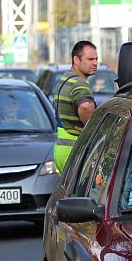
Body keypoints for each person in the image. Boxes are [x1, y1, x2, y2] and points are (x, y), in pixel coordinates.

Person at [53, 41, 98, 171]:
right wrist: (93, 130)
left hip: (61, 149)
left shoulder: (65, 78)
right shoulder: (79, 83)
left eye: (96, 59)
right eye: (90, 59)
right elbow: (85, 106)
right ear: (76, 60)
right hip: (74, 151)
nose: (95, 63)